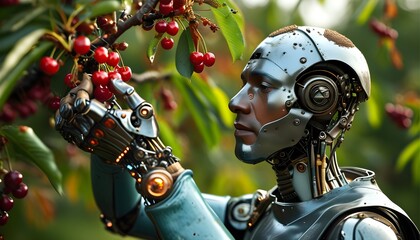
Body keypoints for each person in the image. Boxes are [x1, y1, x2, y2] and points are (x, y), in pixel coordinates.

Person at [55, 25, 419, 239]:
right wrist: (112, 147)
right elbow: (128, 215)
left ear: (317, 99)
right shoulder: (266, 212)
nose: (236, 101)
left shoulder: (362, 231)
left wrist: (155, 169)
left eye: (262, 86)